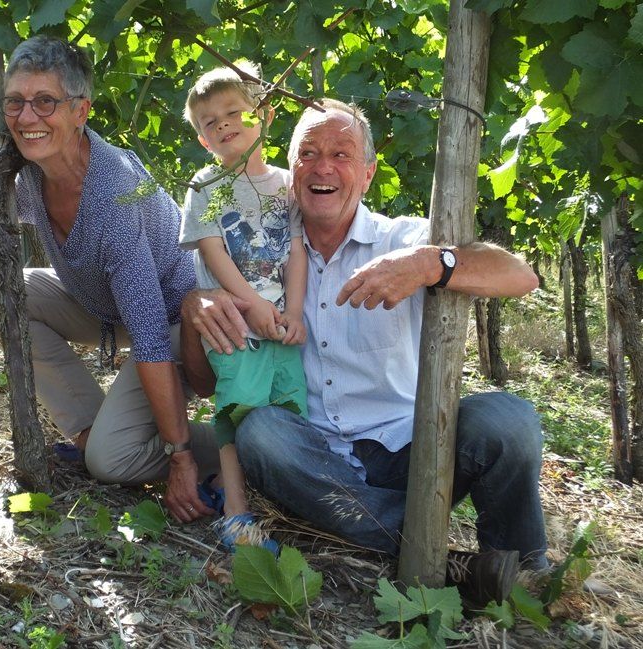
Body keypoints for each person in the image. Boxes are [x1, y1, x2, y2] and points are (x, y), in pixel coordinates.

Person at [181, 98, 547, 604]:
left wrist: (431, 265)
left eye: (342, 154)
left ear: (369, 174)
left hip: (413, 452)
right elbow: (205, 385)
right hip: (312, 461)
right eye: (308, 153)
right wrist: (193, 309)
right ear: (291, 171)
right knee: (261, 432)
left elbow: (520, 275)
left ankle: (528, 573)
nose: (323, 167)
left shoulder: (403, 240)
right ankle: (453, 563)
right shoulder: (250, 261)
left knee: (508, 421)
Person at [0, 35, 219, 523]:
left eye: (45, 101)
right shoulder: (33, 169)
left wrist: (180, 458)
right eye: (15, 101)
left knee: (113, 462)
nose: (26, 116)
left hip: (175, 321)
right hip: (104, 306)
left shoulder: (113, 194)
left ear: (80, 111)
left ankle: (236, 448)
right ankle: (89, 430)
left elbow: (149, 335)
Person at [179, 64, 308, 552]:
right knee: (236, 412)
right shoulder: (206, 186)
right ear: (202, 140)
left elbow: (296, 252)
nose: (224, 124)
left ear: (264, 114)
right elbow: (213, 252)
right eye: (210, 122)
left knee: (289, 411)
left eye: (233, 112)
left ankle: (282, 507)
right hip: (234, 327)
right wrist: (253, 305)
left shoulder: (287, 185)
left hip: (280, 328)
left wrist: (294, 313)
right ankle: (235, 514)